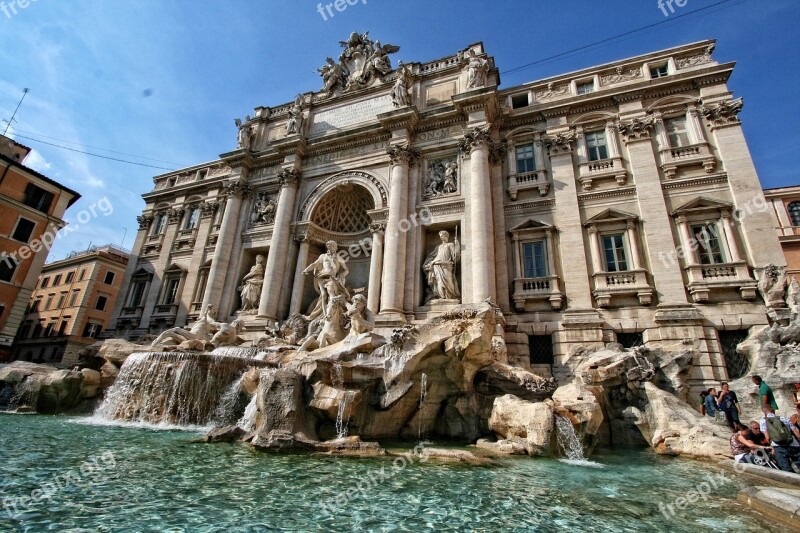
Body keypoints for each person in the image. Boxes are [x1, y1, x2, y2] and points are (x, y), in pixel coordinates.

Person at [759, 404, 800, 472]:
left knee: (786, 468)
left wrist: (772, 448)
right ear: (774, 411)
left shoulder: (763, 422)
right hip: (792, 444)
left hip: (778, 447)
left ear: (763, 412)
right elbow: (796, 433)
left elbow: (767, 437)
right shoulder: (784, 418)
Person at [423, 230, 461, 302]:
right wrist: (431, 263)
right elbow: (434, 256)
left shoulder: (450, 244)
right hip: (437, 266)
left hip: (446, 265)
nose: (442, 237)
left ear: (447, 236)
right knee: (439, 282)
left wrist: (457, 245)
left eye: (443, 236)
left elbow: (455, 256)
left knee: (449, 281)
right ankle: (442, 296)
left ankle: (451, 296)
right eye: (441, 236)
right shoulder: (439, 246)